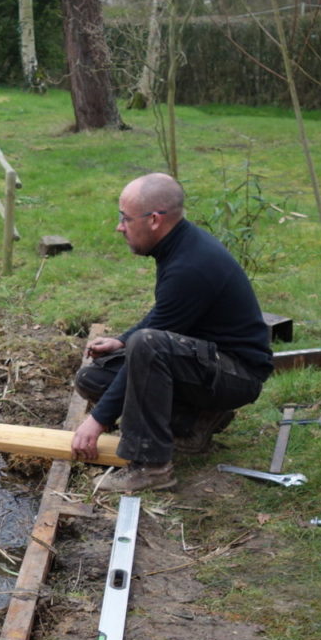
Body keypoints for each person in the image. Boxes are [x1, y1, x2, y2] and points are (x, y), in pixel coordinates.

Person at [69, 173, 273, 495]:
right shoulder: (178, 246)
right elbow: (167, 316)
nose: (119, 227)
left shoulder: (190, 266)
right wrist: (121, 341)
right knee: (94, 379)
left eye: (125, 219)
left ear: (153, 220)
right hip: (203, 359)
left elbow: (155, 337)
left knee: (147, 345)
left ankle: (151, 467)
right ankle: (195, 422)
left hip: (236, 372)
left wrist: (95, 422)